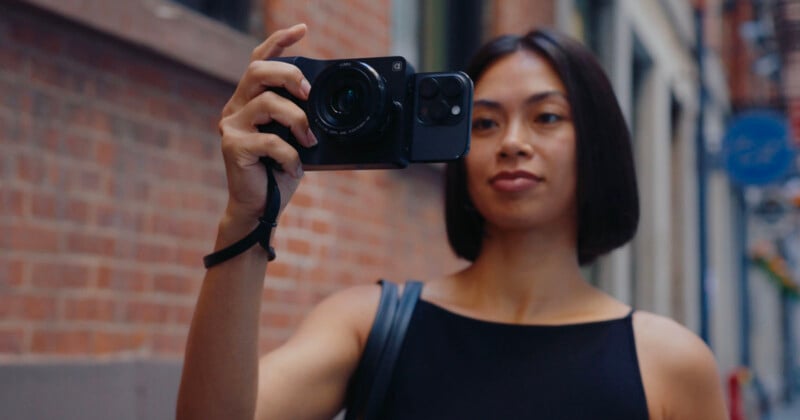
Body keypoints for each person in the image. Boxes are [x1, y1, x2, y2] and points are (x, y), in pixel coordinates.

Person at [177, 23, 728, 419]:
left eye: (547, 117)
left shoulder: (672, 362)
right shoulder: (368, 324)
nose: (512, 143)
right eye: (483, 123)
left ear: (597, 144)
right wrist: (247, 219)